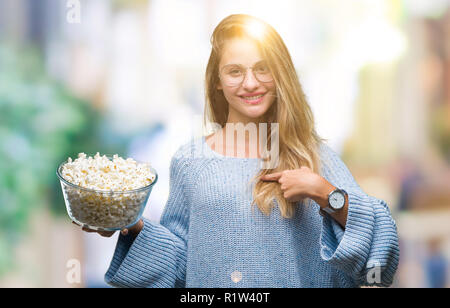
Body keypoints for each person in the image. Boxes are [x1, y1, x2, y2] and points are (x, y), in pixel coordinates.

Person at [79, 14, 399, 288]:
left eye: (262, 69)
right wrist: (132, 226)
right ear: (217, 81)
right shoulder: (190, 162)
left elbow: (381, 255)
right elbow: (181, 270)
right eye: (235, 71)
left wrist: (324, 192)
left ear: (280, 75)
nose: (250, 83)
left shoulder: (313, 157)